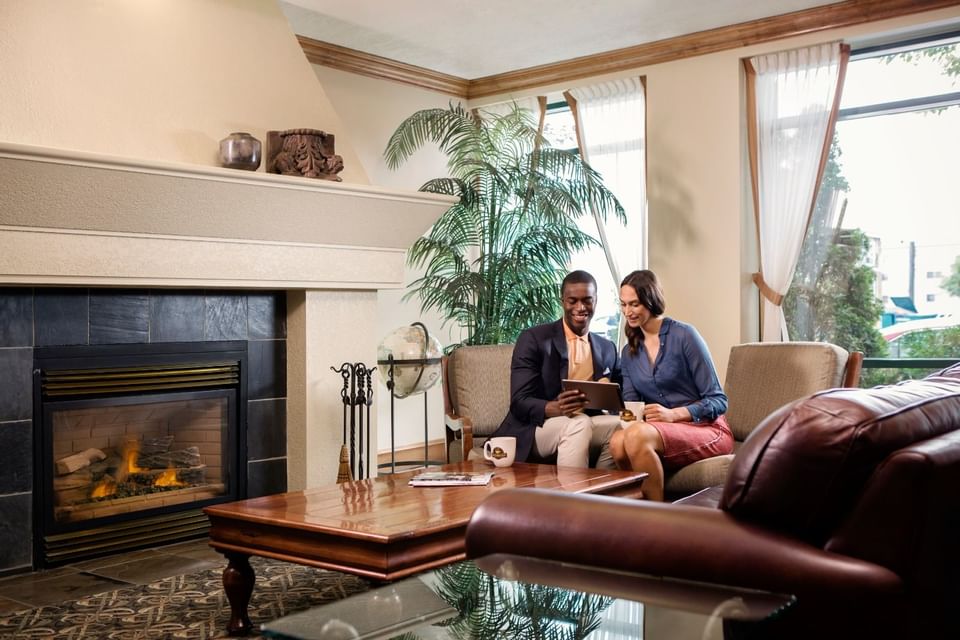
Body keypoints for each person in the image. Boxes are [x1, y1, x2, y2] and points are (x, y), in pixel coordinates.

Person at [610, 269, 732, 501]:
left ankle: (657, 521)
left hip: (708, 429)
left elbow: (718, 400)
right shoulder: (628, 352)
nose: (628, 312)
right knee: (617, 441)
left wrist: (674, 415)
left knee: (635, 436)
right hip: (660, 432)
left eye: (634, 304)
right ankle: (637, 514)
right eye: (623, 304)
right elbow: (631, 405)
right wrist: (623, 415)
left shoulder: (684, 335)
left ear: (651, 300)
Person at [489, 270, 621, 468]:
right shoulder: (534, 339)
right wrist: (554, 408)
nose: (580, 307)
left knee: (622, 427)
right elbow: (519, 402)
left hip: (585, 421)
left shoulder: (606, 347)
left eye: (587, 300)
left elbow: (619, 397)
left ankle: (600, 493)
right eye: (572, 301)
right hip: (536, 427)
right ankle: (569, 498)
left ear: (596, 300)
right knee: (579, 424)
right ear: (562, 301)